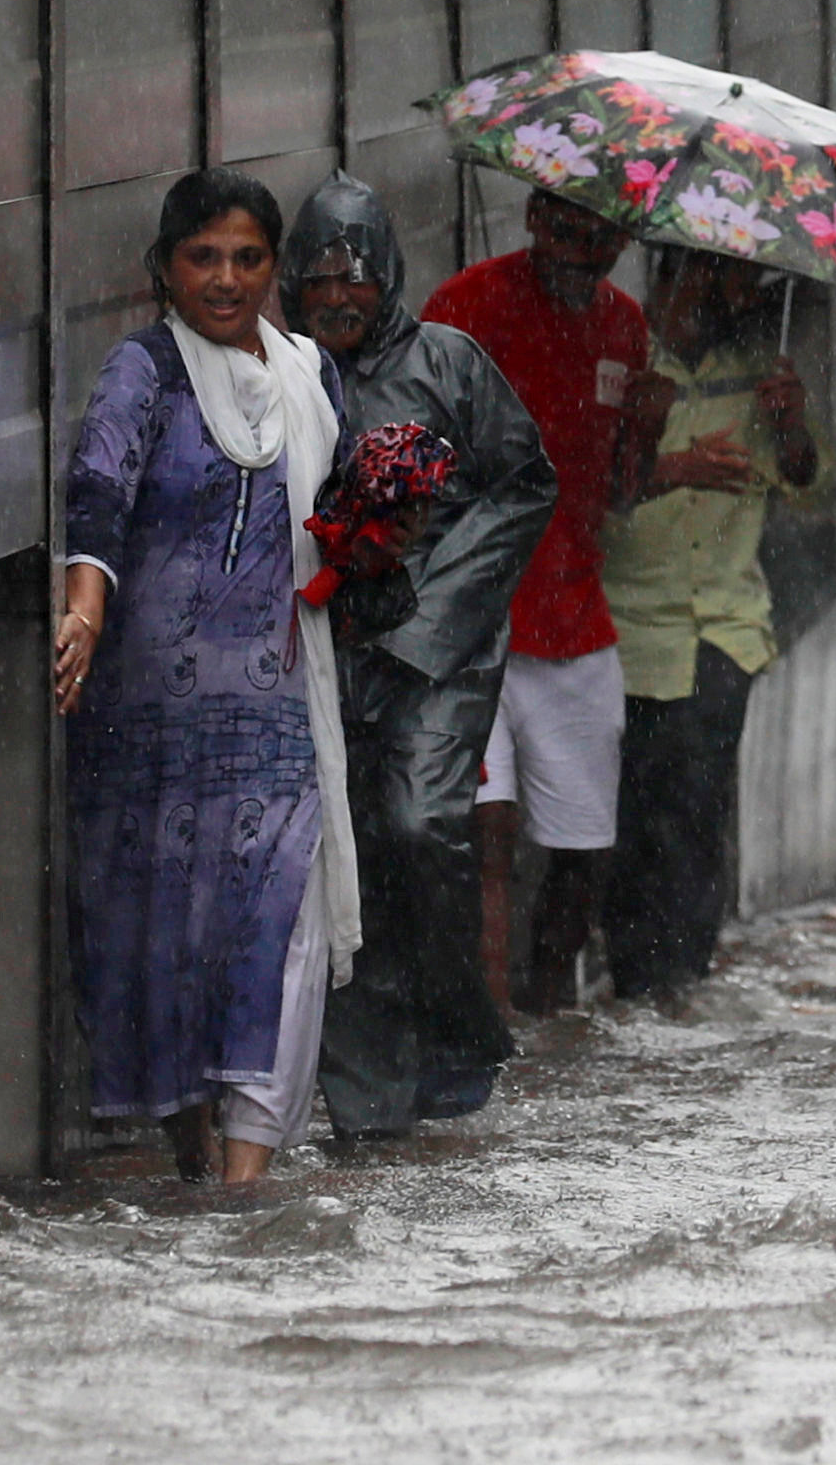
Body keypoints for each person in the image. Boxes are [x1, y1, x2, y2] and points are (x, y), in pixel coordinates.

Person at [56, 168, 358, 1182]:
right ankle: (199, 1176)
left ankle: (243, 1194)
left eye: (248, 258)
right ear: (164, 268)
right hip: (150, 731)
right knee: (166, 947)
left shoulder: (311, 375)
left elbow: (344, 528)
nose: (226, 280)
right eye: (203, 258)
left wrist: (388, 527)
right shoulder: (142, 373)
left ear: (277, 268)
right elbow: (99, 484)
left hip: (278, 722)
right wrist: (86, 607)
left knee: (279, 930)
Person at [284, 175, 558, 1135]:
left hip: (443, 649)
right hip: (330, 646)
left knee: (416, 824)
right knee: (344, 857)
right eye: (318, 277)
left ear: (390, 274)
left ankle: (455, 1032)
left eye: (357, 276)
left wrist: (431, 610)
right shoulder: (282, 374)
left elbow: (526, 485)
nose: (339, 296)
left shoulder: (450, 364)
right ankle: (367, 1093)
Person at [426, 189, 653, 1014]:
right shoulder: (463, 307)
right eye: (565, 231)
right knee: (484, 833)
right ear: (529, 216)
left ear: (625, 239)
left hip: (575, 622)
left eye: (600, 239)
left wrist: (650, 432)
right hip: (474, 618)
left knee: (581, 848)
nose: (579, 254)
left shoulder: (626, 326)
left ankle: (550, 1013)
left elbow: (621, 493)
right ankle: (491, 1028)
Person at [599, 250, 824, 1000]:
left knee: (696, 804)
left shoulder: (761, 373)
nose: (737, 293)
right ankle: (636, 979)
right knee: (632, 813)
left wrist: (791, 426)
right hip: (631, 624)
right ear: (674, 276)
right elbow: (591, 491)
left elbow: (802, 482)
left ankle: (682, 977)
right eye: (718, 277)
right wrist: (651, 439)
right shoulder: (625, 362)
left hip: (724, 624)